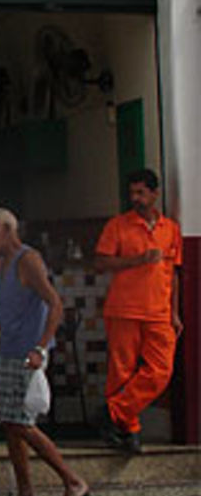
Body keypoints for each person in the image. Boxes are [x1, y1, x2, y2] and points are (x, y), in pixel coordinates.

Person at [0, 208, 90, 496]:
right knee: (9, 421)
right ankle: (26, 494)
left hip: (27, 354)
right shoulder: (2, 265)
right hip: (11, 349)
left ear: (6, 230)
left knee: (20, 421)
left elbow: (54, 303)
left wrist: (41, 347)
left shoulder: (28, 260)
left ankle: (72, 480)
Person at [95, 168, 183, 454]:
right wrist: (138, 260)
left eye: (141, 193)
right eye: (132, 193)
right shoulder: (117, 226)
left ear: (154, 194)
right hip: (124, 309)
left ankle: (112, 413)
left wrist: (174, 313)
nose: (135, 198)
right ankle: (127, 430)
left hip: (158, 311)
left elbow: (174, 274)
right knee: (121, 371)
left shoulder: (170, 229)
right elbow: (101, 262)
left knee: (160, 372)